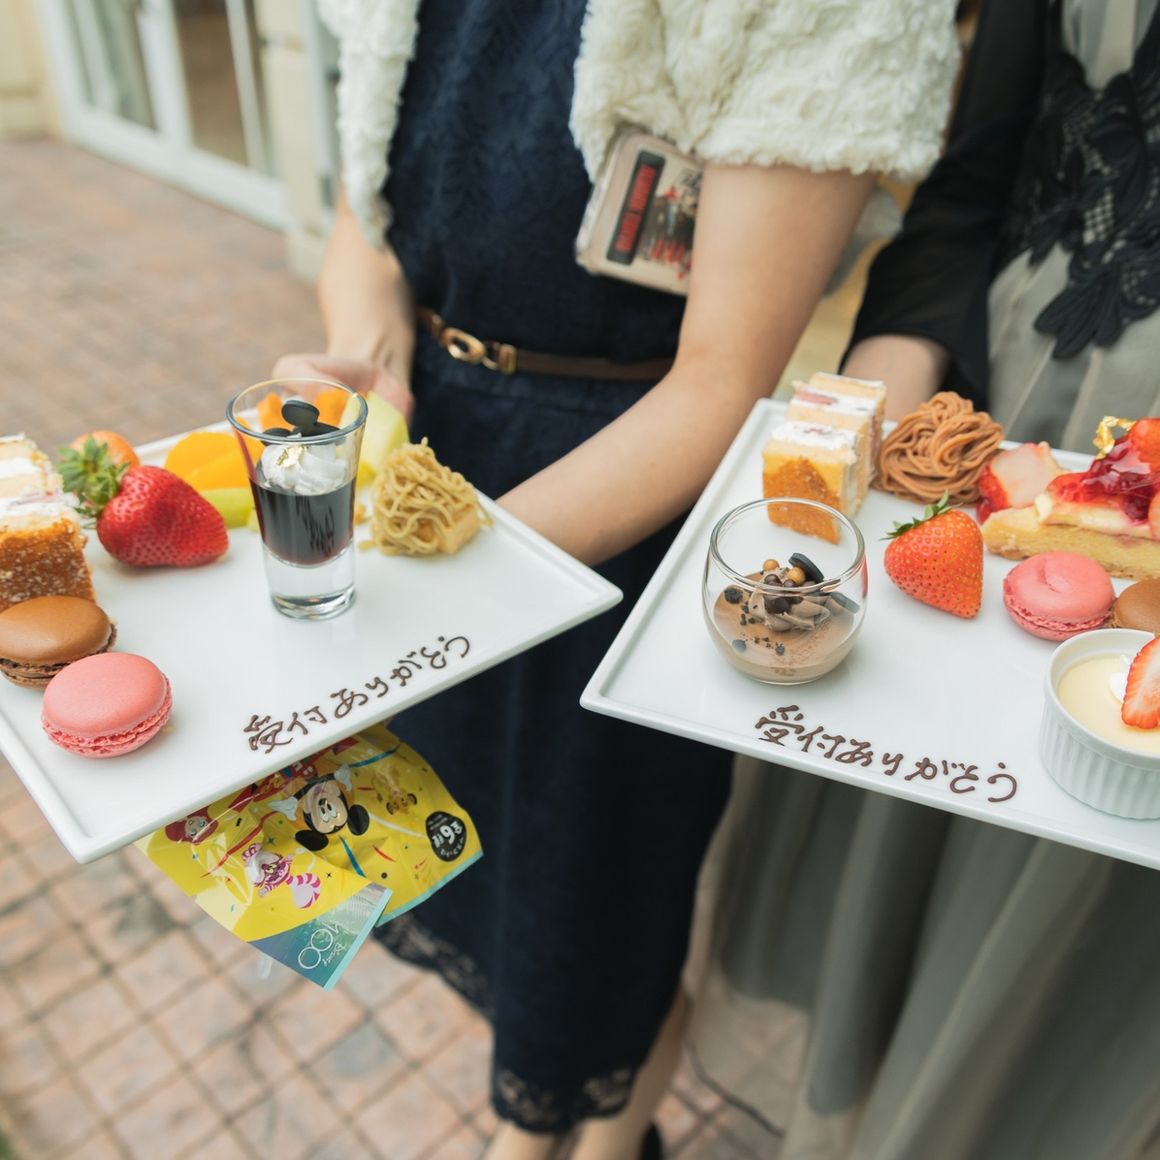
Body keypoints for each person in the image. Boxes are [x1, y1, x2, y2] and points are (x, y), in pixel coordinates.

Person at [274, 2, 960, 1156]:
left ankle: (583, 1134)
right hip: (432, 468)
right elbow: (366, 219)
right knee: (470, 867)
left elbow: (718, 384)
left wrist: (436, 571)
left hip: (618, 509)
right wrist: (373, 363)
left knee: (593, 909)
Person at [687, 3, 1160, 1158]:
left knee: (1054, 892)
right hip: (983, 441)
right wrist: (860, 434)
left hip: (1121, 514)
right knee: (896, 830)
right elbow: (963, 199)